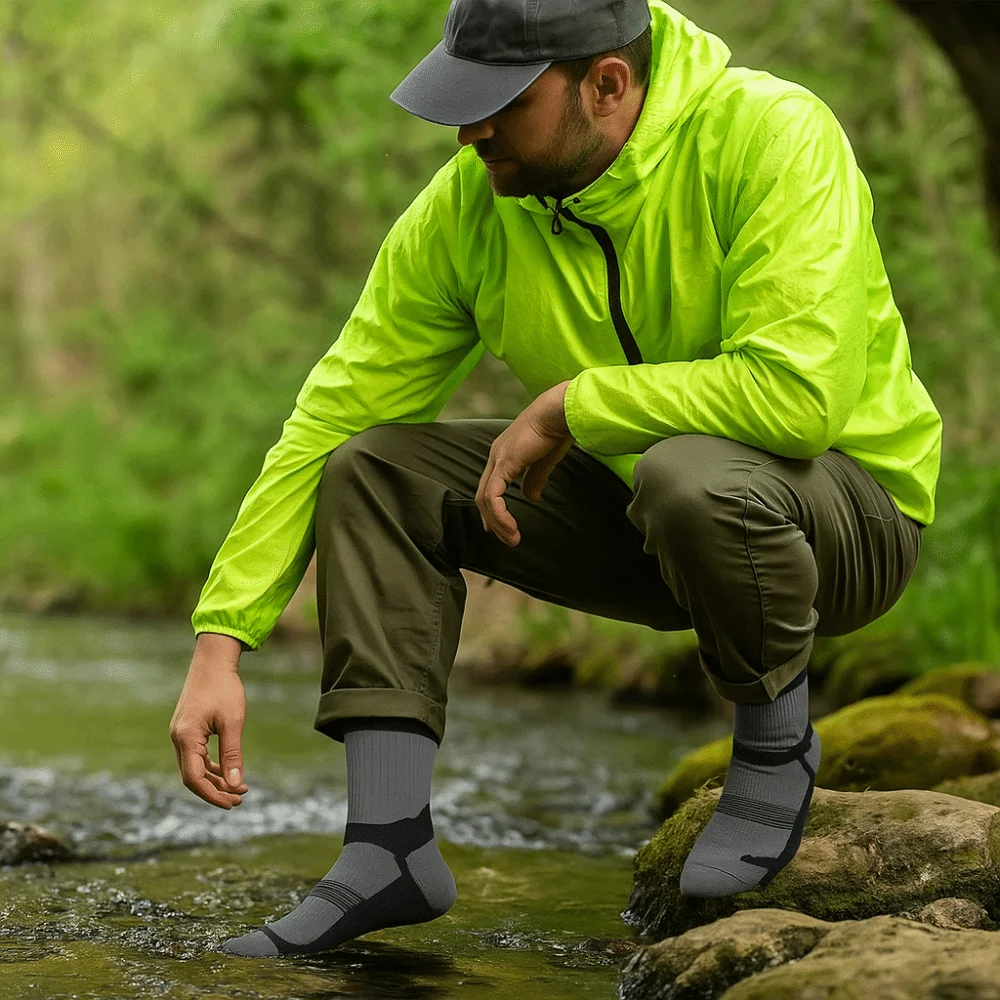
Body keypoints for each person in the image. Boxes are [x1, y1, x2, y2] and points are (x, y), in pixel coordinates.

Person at [168, 0, 941, 957]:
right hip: (651, 519)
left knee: (688, 469)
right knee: (373, 468)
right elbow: (329, 415)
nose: (469, 129)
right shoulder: (470, 207)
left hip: (839, 524)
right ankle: (388, 846)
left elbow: (800, 396)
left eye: (500, 102)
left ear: (606, 85)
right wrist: (220, 640)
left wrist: (571, 407)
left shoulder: (771, 133)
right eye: (461, 99)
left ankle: (774, 751)